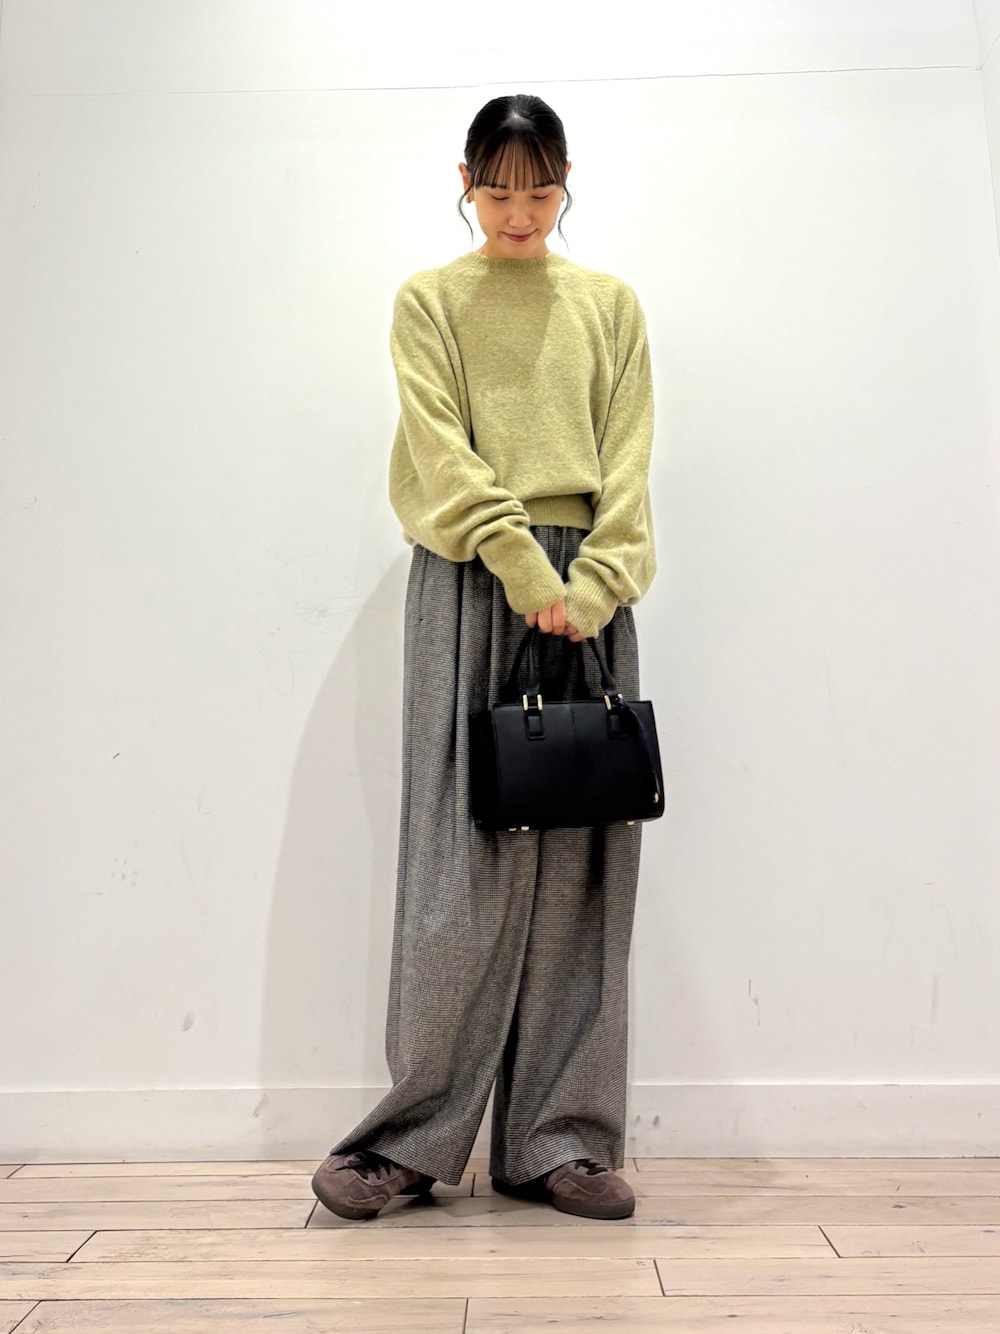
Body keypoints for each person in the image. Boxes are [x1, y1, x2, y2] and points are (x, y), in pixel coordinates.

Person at [311, 94, 656, 1223]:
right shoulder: (431, 301)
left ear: (567, 182)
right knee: (458, 865)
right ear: (464, 181)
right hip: (470, 582)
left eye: (540, 189)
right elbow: (439, 448)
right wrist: (521, 567)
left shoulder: (609, 305)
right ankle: (409, 1141)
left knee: (582, 869)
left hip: (589, 593)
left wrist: (594, 585)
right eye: (498, 189)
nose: (519, 212)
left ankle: (559, 1141)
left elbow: (630, 460)